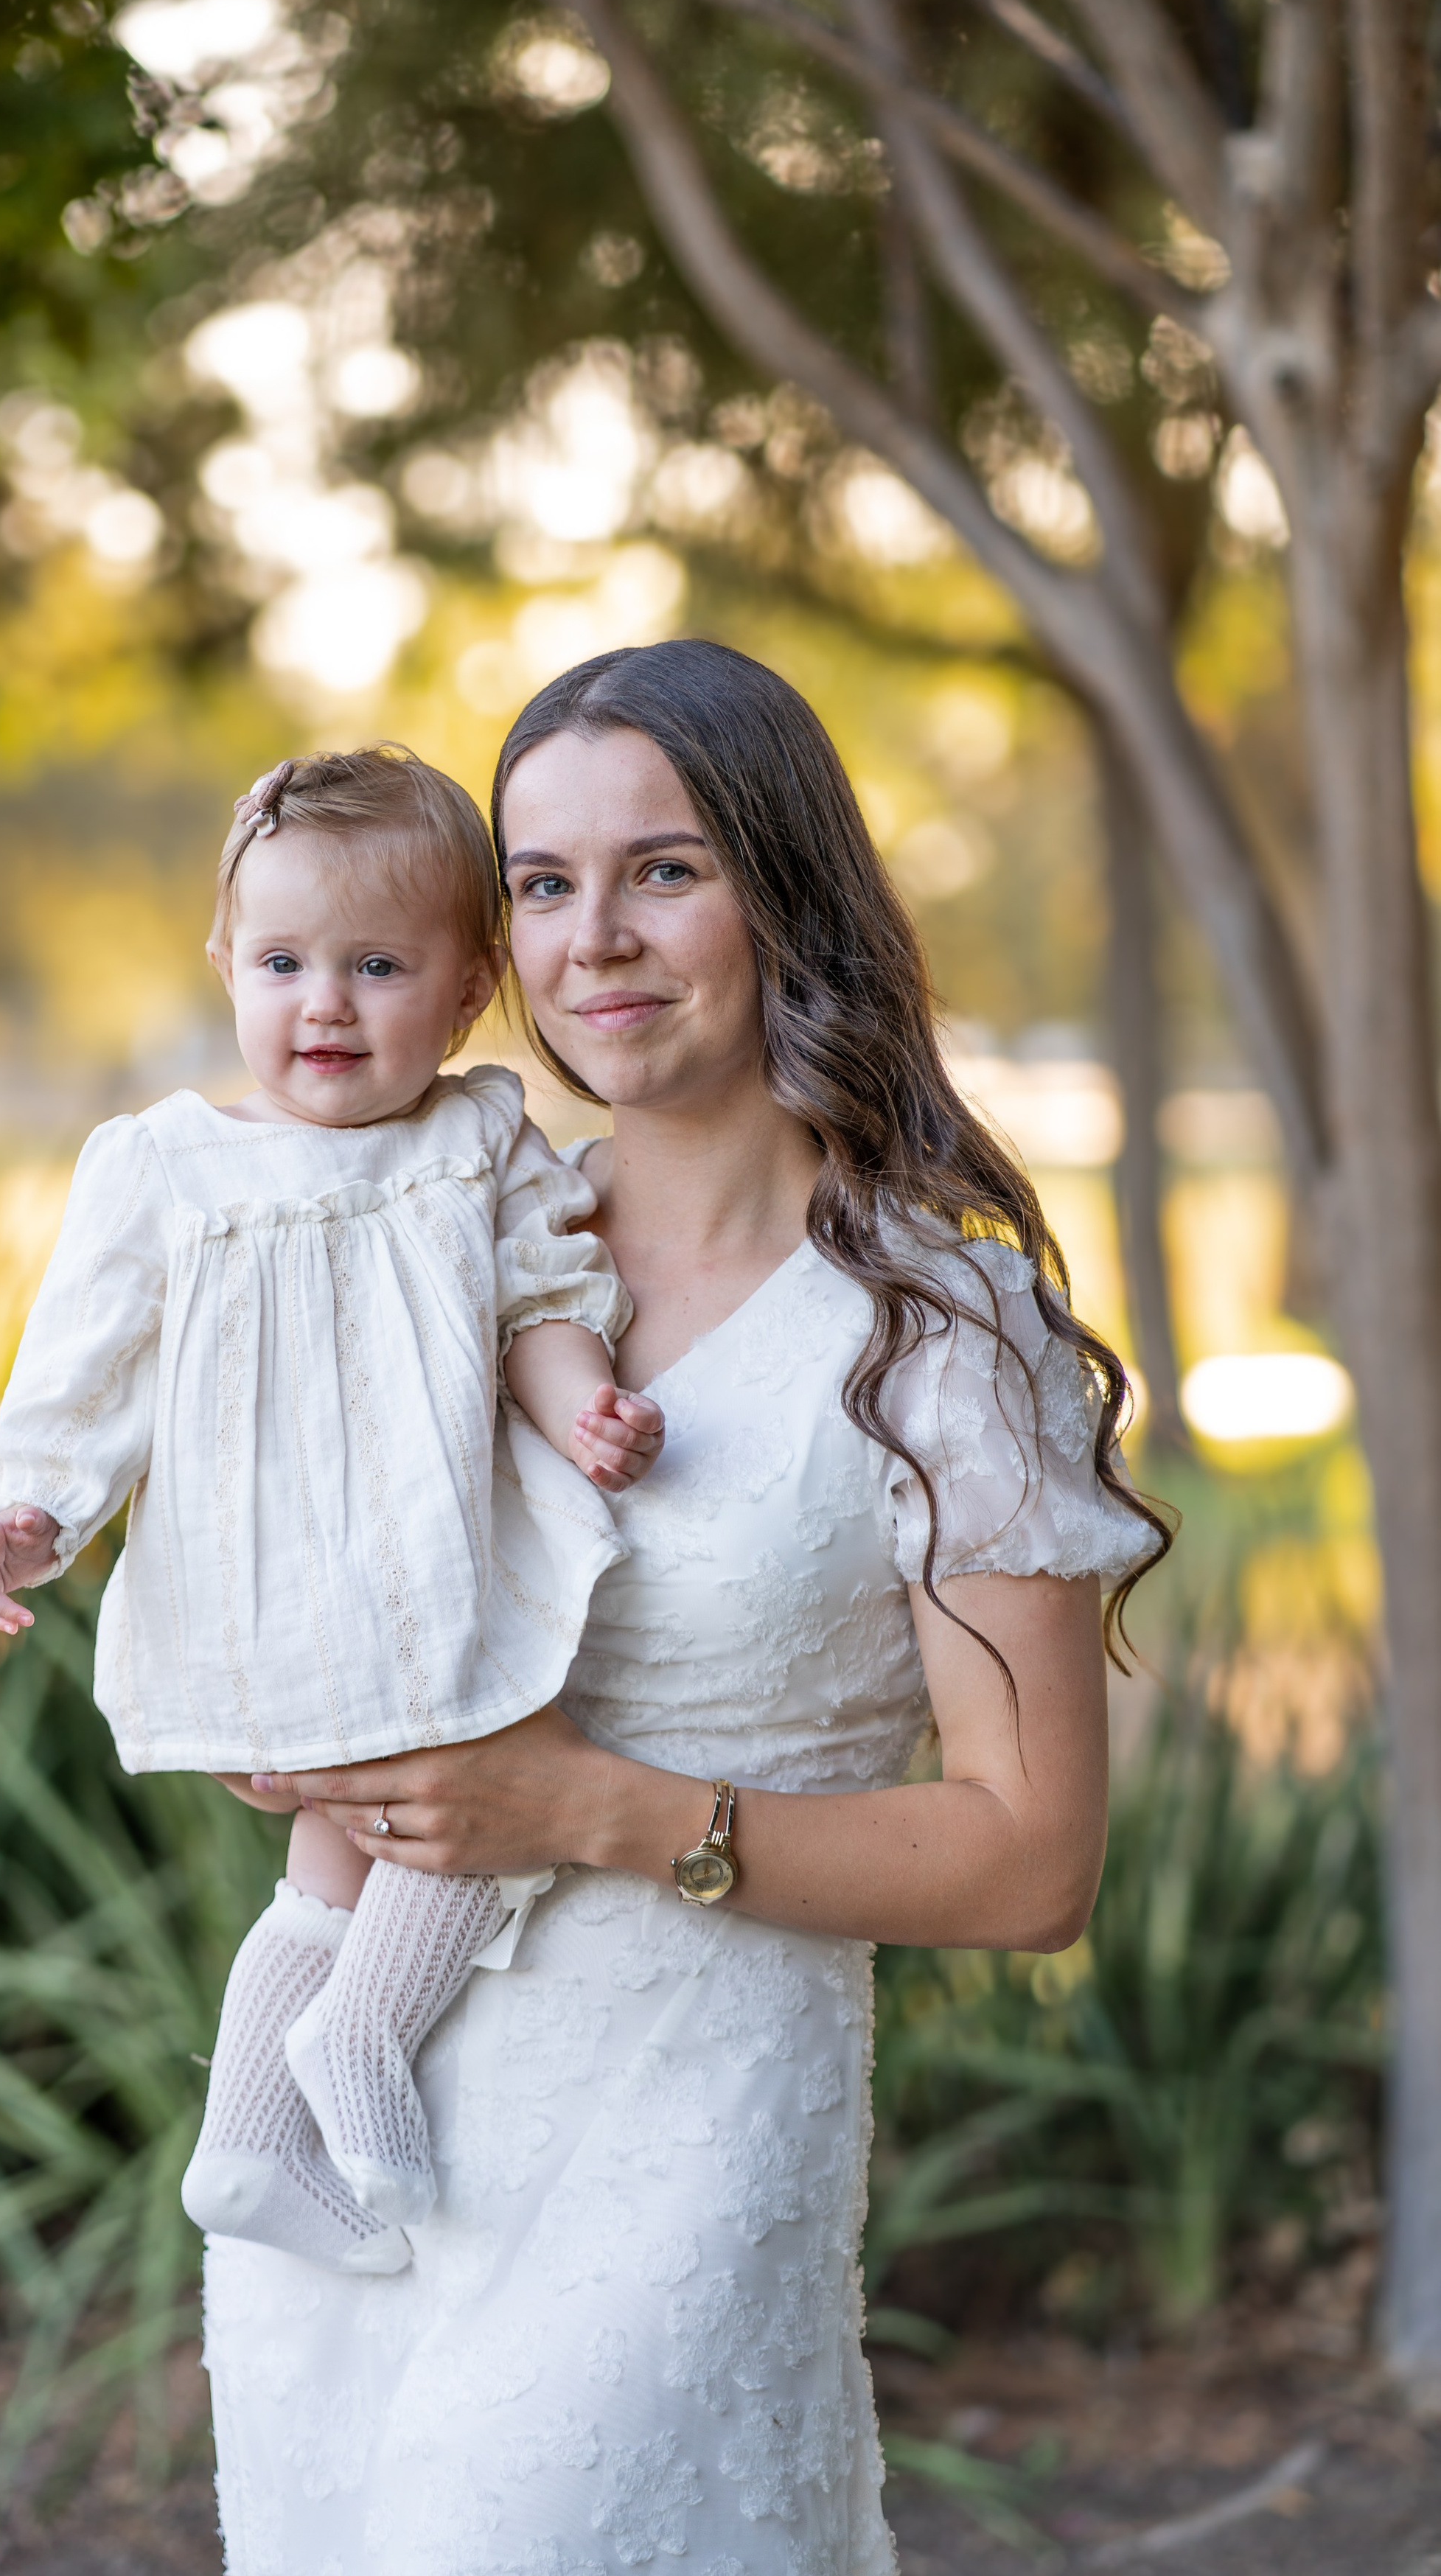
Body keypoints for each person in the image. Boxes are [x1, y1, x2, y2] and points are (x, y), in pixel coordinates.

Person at [200, 642, 1169, 2574]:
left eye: (664, 868)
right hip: (360, 2120)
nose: (595, 939)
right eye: (543, 884)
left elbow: (1032, 1859)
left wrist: (599, 1810)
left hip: (686, 2142)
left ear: (783, 891)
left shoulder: (936, 1336)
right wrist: (294, 1733)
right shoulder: (446, 1241)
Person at [0, 747, 664, 2280]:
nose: (321, 1003)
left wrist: (577, 1396)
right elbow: (85, 1374)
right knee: (476, 1804)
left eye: (374, 965)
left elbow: (537, 1303)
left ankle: (246, 2147)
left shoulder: (472, 1142)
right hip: (279, 1584)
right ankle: (359, 2035)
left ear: (465, 989)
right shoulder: (167, 1166)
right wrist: (25, 1516)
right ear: (224, 965)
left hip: (411, 1565)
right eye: (282, 962)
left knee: (337, 1860)